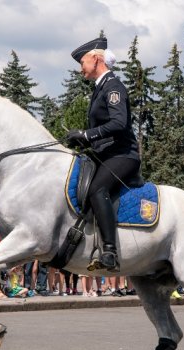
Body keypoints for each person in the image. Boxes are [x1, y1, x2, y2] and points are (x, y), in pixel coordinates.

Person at [64, 36, 140, 272]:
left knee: (98, 189)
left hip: (123, 155)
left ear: (96, 59)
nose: (80, 69)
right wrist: (83, 141)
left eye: (82, 63)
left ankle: (110, 251)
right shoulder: (101, 89)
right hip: (106, 154)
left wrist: (87, 135)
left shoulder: (113, 86)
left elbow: (119, 123)